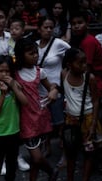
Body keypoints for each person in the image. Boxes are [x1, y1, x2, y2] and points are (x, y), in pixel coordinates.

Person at [0, 4, 31, 172]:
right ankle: (0, 161)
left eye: (1, 17)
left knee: (15, 124)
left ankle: (17, 156)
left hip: (14, 84)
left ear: (6, 19)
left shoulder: (10, 37)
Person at [14, 37, 60, 181]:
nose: (35, 56)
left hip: (40, 117)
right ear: (21, 55)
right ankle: (52, 171)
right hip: (24, 120)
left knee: (36, 157)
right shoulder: (15, 73)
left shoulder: (40, 72)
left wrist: (54, 91)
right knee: (37, 157)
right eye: (30, 53)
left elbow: (52, 87)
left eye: (36, 52)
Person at [59, 47, 102, 181]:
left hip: (88, 118)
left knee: (88, 154)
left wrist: (92, 126)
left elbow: (96, 99)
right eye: (80, 63)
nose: (84, 65)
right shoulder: (64, 74)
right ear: (70, 64)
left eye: (85, 62)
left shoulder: (89, 78)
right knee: (70, 153)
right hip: (71, 119)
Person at [69, 10, 102, 172]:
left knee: (96, 124)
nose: (77, 26)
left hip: (96, 86)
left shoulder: (88, 42)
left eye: (80, 22)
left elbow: (87, 68)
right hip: (94, 84)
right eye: (73, 24)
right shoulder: (83, 40)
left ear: (86, 23)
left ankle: (101, 159)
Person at [36, 16, 71, 162]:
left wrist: (66, 77)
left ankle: (65, 151)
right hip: (39, 90)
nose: (49, 30)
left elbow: (74, 56)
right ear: (39, 29)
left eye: (51, 27)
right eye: (45, 27)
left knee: (60, 122)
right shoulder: (34, 45)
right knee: (44, 122)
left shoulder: (59, 44)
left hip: (56, 89)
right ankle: (47, 147)